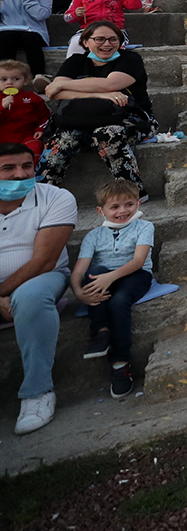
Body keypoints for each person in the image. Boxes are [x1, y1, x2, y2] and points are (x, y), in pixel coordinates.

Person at [0, 143, 76, 434]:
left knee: (30, 298)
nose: (21, 175)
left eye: (27, 166)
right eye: (8, 168)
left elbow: (44, 261)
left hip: (42, 278)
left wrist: (2, 292)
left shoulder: (55, 198)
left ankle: (37, 393)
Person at [39, 20, 157, 194]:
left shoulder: (131, 59)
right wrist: (100, 94)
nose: (107, 44)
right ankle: (42, 192)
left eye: (113, 39)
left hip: (130, 118)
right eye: (100, 39)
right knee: (63, 137)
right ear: (86, 42)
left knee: (106, 134)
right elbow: (53, 92)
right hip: (82, 119)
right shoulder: (76, 61)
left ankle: (134, 192)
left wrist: (69, 86)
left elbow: (111, 83)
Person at [69, 180, 153, 398]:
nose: (123, 211)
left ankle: (120, 364)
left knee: (118, 300)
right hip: (104, 277)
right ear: (101, 211)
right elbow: (79, 270)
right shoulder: (93, 236)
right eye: (115, 207)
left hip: (136, 275)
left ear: (138, 204)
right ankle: (101, 332)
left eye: (129, 204)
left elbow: (138, 261)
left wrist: (111, 277)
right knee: (94, 271)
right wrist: (78, 291)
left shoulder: (144, 227)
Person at [0, 0, 53, 76]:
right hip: (7, 29)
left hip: (33, 30)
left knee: (30, 39)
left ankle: (39, 75)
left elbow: (41, 15)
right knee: (6, 38)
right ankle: (5, 75)